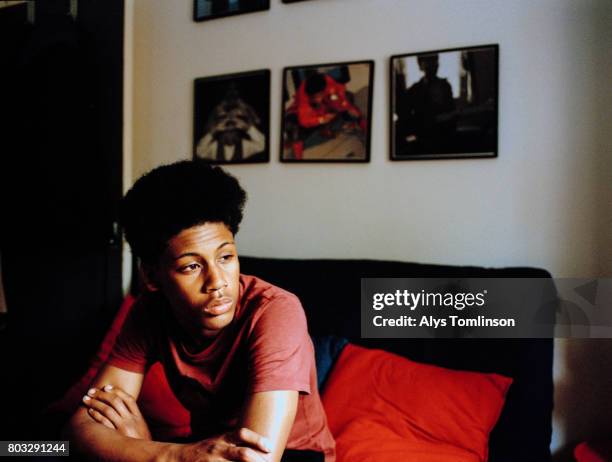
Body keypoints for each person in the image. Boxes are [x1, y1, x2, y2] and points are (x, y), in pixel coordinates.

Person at [65, 160, 335, 462]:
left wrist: (143, 449)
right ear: (152, 276)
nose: (218, 282)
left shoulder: (276, 311)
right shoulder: (150, 311)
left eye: (226, 257)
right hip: (204, 448)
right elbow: (82, 427)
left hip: (292, 453)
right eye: (192, 266)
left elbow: (254, 458)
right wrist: (169, 454)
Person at [284, 72, 366, 160]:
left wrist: (346, 106)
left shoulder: (328, 82)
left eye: (317, 96)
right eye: (313, 97)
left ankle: (363, 129)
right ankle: (297, 158)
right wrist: (322, 119)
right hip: (306, 114)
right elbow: (304, 120)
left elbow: (341, 91)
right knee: (291, 125)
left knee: (350, 102)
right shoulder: (303, 96)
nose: (316, 99)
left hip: (324, 108)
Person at [395, 53, 456, 155]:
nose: (434, 64)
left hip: (444, 135)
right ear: (420, 65)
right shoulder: (414, 89)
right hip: (423, 137)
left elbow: (451, 111)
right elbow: (403, 113)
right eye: (429, 61)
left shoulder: (445, 86)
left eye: (435, 61)